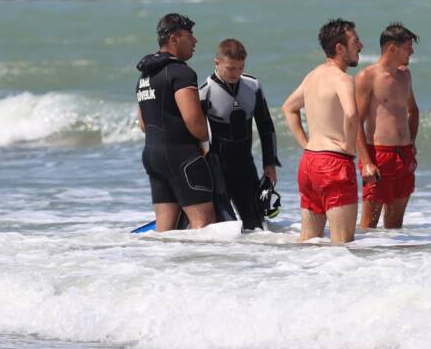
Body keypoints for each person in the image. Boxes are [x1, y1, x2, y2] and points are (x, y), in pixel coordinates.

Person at [281, 18, 363, 244]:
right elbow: (351, 115)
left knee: (307, 242)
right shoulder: (343, 79)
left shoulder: (312, 76)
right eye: (356, 41)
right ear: (340, 48)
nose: (361, 46)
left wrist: (305, 143)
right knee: (342, 244)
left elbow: (289, 108)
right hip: (334, 164)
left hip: (309, 163)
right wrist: (348, 145)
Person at [135, 13, 216, 231]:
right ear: (174, 38)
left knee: (165, 229)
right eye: (190, 36)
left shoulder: (145, 76)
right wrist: (209, 141)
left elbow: (143, 124)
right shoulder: (181, 73)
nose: (195, 41)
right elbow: (194, 122)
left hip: (152, 155)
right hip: (181, 157)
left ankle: (165, 266)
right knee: (204, 225)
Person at [199, 38, 280, 231]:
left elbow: (266, 125)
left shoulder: (253, 86)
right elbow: (198, 137)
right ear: (216, 63)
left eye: (240, 68)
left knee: (257, 226)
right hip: (218, 169)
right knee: (228, 227)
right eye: (230, 68)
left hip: (245, 166)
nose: (236, 73)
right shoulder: (204, 92)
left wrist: (270, 163)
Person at [355, 22, 420, 229]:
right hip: (379, 155)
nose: (412, 51)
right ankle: (362, 261)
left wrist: (412, 142)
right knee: (369, 225)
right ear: (392, 47)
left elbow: (413, 110)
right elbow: (357, 120)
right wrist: (366, 161)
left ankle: (393, 261)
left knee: (395, 224)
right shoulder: (368, 77)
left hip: (404, 154)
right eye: (408, 46)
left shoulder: (405, 75)